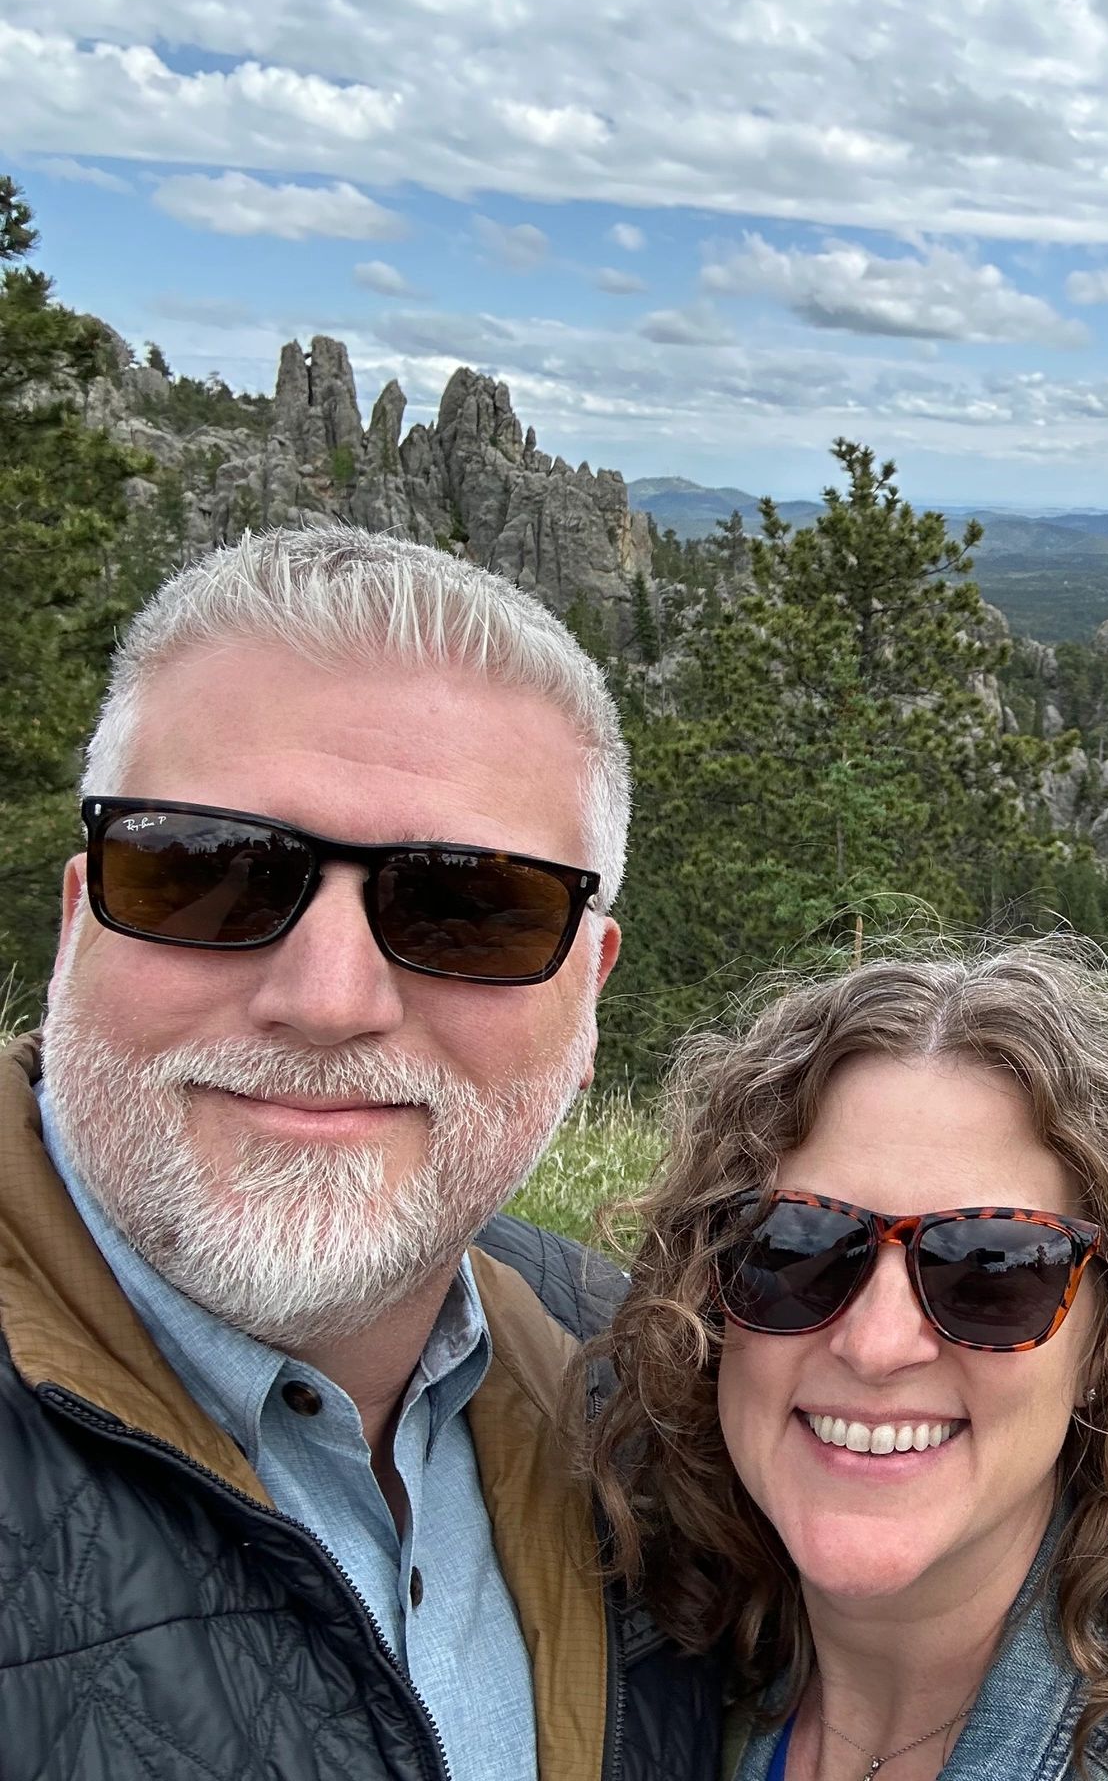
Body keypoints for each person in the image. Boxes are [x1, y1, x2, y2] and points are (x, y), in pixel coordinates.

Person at [0, 527, 725, 1779]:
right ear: (79, 920)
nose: (329, 998)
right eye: (204, 874)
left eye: (470, 910)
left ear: (589, 996)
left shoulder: (650, 1397)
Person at [581, 940, 1108, 1781]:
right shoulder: (656, 1668)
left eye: (991, 1270)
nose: (876, 1345)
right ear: (709, 1295)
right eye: (796, 1250)